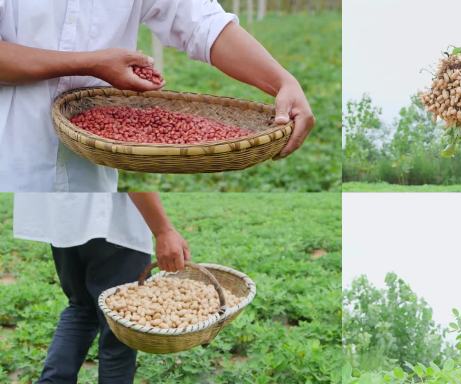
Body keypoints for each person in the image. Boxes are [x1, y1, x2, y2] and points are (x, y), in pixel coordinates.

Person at [0, 0, 315, 192]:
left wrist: (282, 81)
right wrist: (92, 63)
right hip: (12, 153)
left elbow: (202, 22)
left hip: (91, 167)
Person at [13, 192, 190, 383]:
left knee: (81, 308)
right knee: (121, 331)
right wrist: (163, 230)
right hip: (111, 222)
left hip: (63, 216)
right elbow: (130, 168)